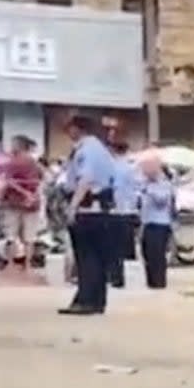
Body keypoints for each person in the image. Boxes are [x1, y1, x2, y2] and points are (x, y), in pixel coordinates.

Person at [61, 115, 116, 315]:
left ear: (78, 129)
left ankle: (86, 300)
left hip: (87, 208)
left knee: (86, 257)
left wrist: (73, 206)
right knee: (97, 257)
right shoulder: (101, 149)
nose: (69, 133)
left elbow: (86, 178)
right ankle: (97, 300)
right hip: (100, 209)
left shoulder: (87, 150)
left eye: (70, 129)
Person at [0, 135, 45, 278]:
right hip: (32, 204)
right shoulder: (36, 163)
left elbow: (8, 181)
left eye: (12, 144)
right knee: (29, 237)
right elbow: (42, 180)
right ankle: (28, 265)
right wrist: (31, 195)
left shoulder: (12, 162)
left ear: (18, 145)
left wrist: (20, 194)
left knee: (11, 236)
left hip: (13, 203)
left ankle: (11, 264)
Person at [137, 153, 174, 289]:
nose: (144, 173)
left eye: (146, 169)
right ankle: (151, 281)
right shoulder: (145, 183)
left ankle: (159, 282)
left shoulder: (164, 183)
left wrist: (149, 191)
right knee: (146, 252)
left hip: (160, 224)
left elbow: (162, 201)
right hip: (147, 222)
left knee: (157, 254)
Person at [107, 142, 140, 288]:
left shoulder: (113, 167)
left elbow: (114, 189)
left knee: (112, 247)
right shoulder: (133, 168)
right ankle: (118, 277)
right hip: (128, 211)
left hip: (115, 211)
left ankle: (115, 276)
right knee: (122, 246)